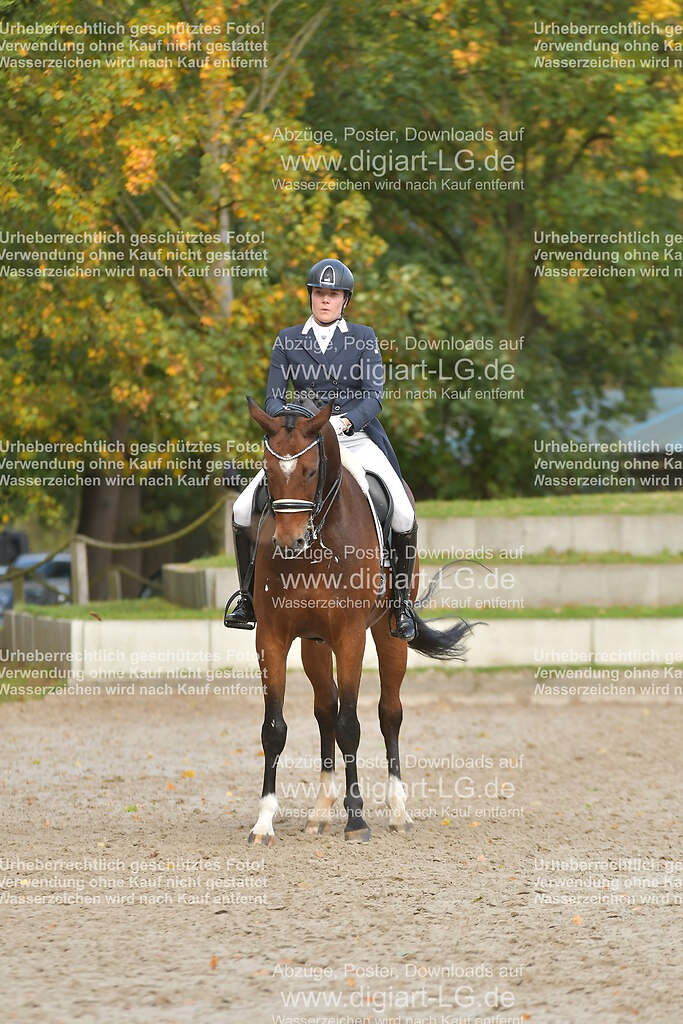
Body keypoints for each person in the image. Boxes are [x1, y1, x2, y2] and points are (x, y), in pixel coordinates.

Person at [224, 258, 418, 640]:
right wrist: (298, 421)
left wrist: (343, 423)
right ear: (310, 296)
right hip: (301, 441)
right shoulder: (287, 339)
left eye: (333, 294)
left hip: (353, 436)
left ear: (345, 299)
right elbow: (273, 398)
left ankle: (400, 604)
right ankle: (247, 598)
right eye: (319, 293)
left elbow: (374, 397)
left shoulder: (363, 337)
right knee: (242, 508)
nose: (325, 300)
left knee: (403, 512)